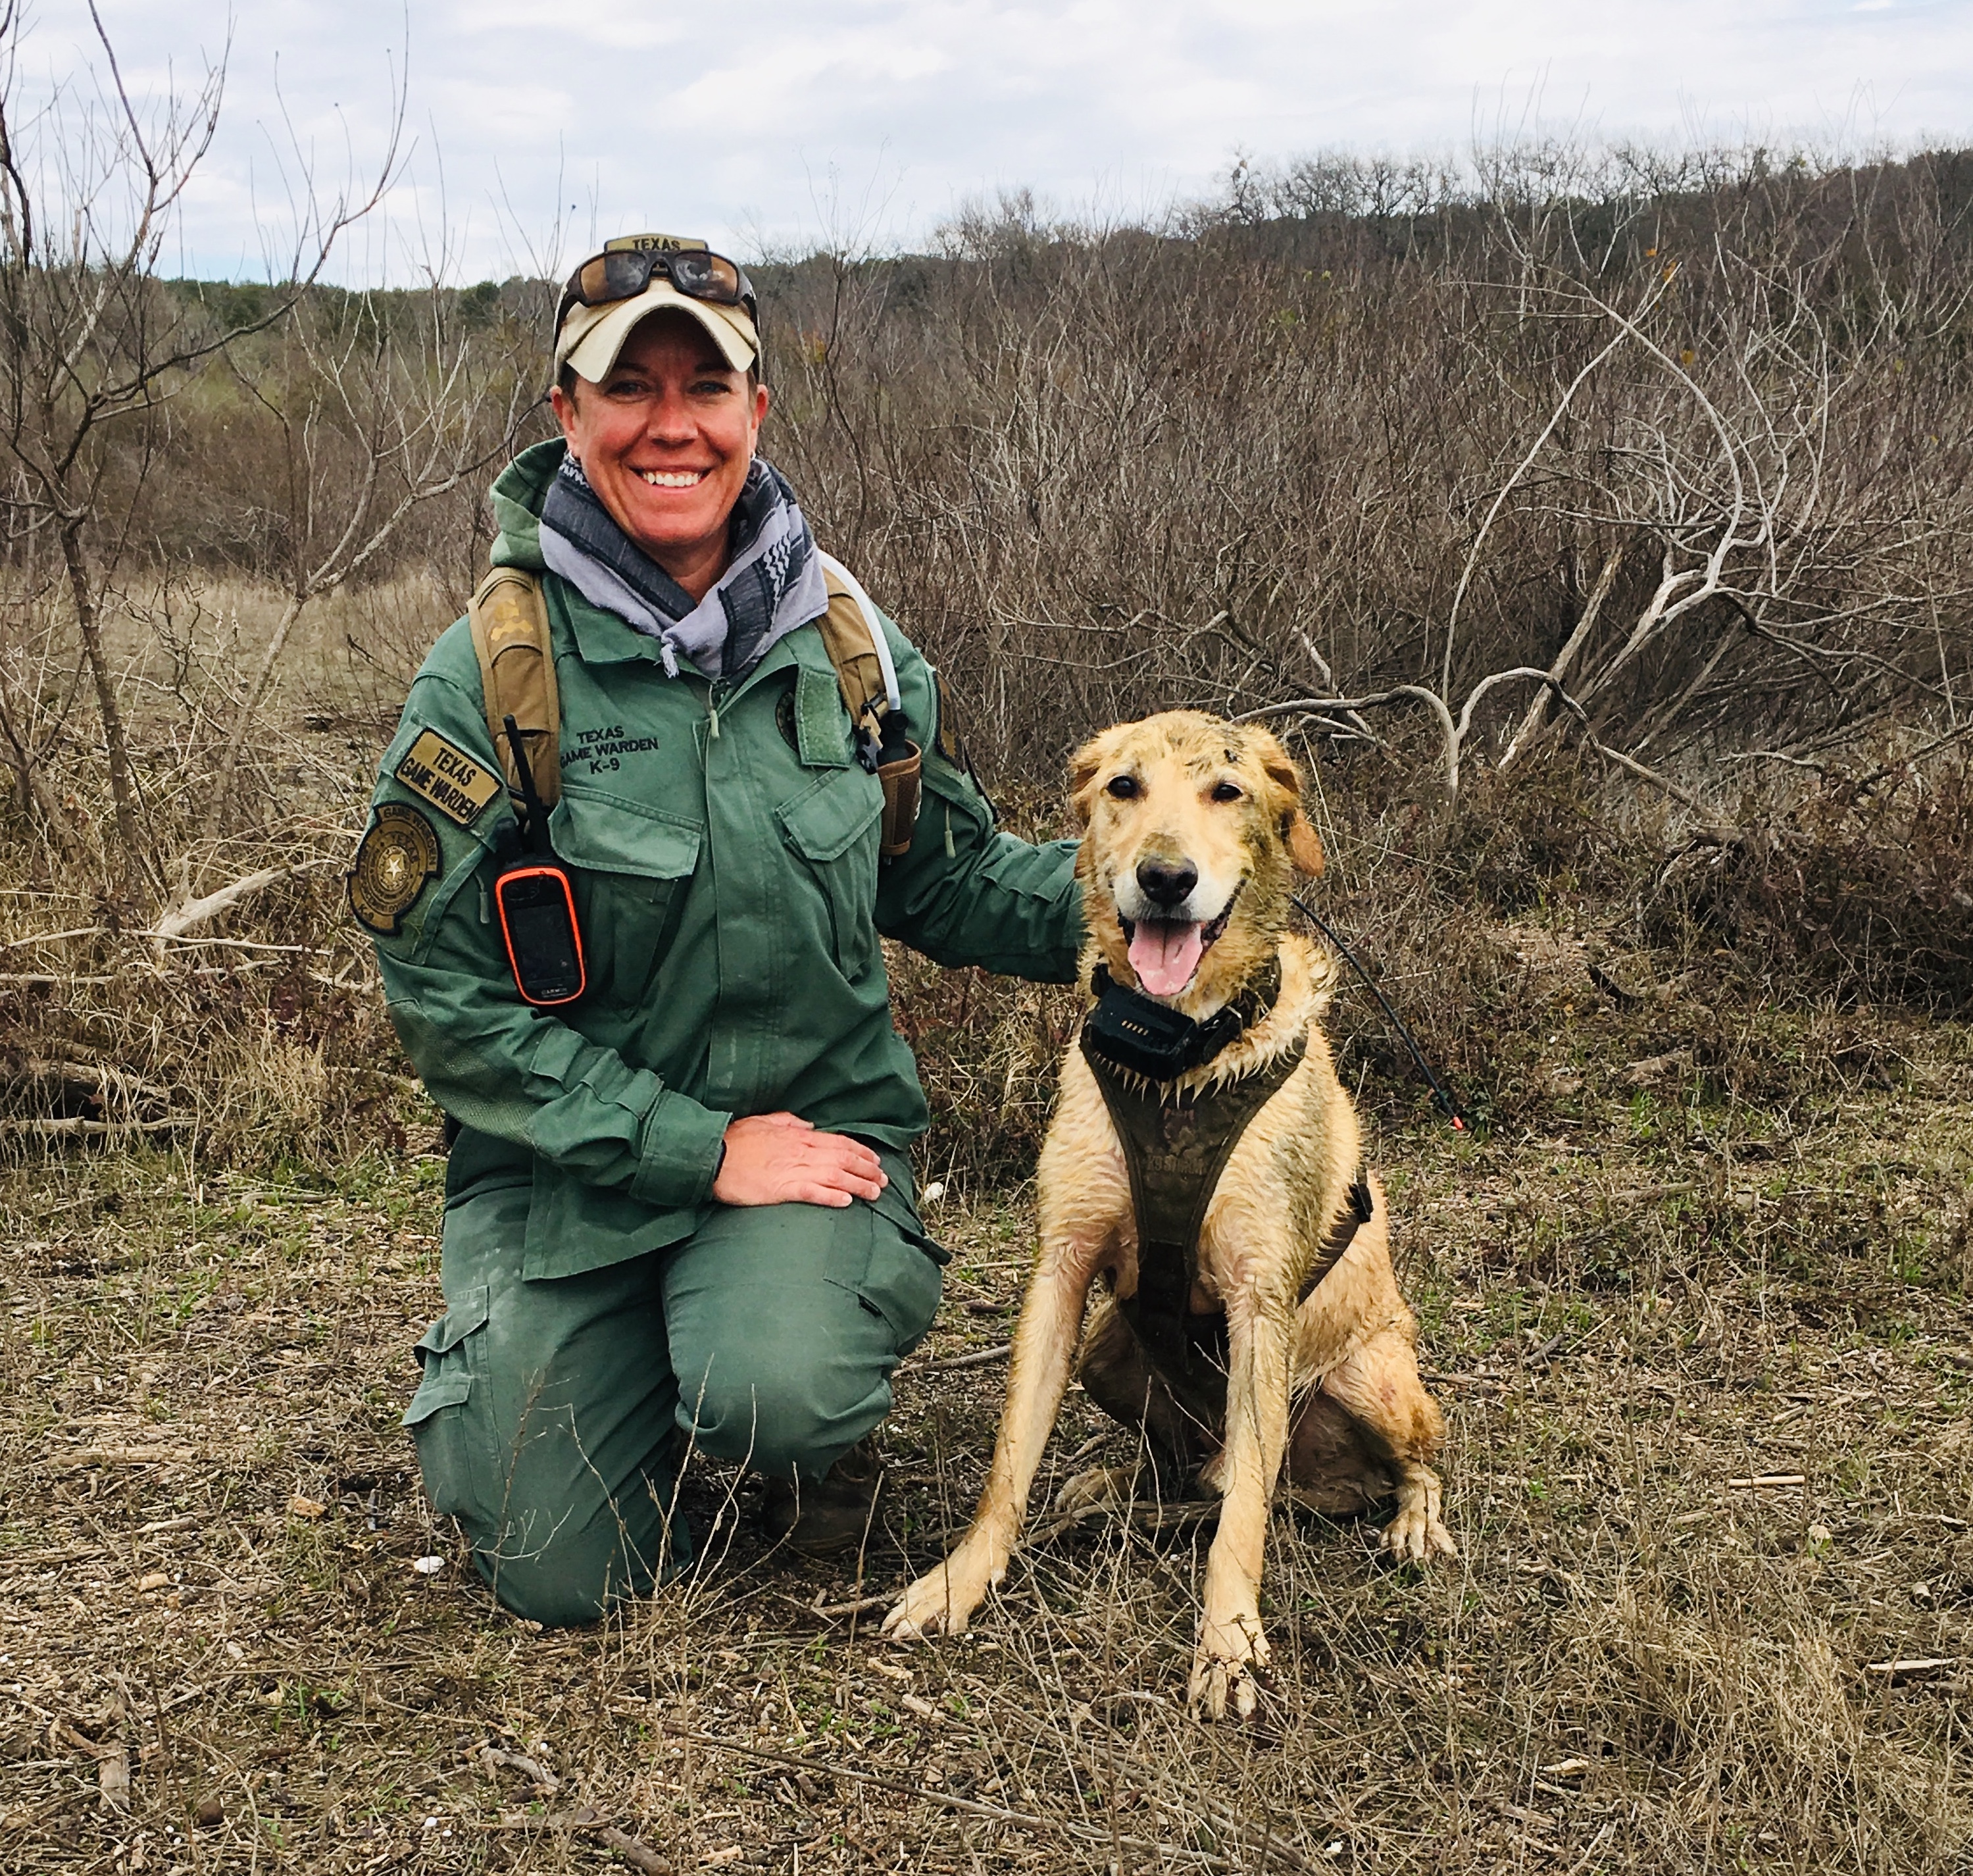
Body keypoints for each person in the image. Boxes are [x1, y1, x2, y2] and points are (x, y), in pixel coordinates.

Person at [352, 233, 1082, 1627]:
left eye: (707, 383)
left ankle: (773, 1395)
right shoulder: (494, 676)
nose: (670, 424)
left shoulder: (851, 644)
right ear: (567, 414)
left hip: (810, 1148)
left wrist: (1156, 900)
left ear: (759, 408)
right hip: (567, 1180)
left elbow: (948, 879)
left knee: (775, 1387)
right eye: (629, 387)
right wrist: (697, 1152)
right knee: (553, 1565)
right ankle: (613, 1365)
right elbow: (446, 1004)